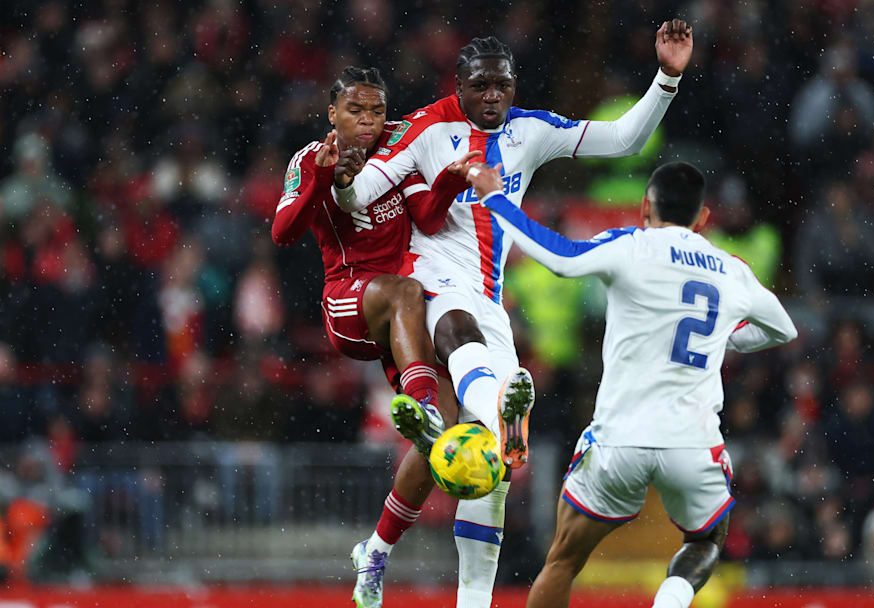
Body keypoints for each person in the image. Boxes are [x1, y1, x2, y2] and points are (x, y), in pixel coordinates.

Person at [339, 22, 693, 608]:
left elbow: (623, 140)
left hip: (489, 299)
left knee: (489, 468)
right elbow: (361, 192)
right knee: (455, 332)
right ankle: (493, 413)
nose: (493, 96)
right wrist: (347, 179)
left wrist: (667, 78)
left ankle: (470, 596)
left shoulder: (531, 130)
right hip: (429, 278)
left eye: (502, 85)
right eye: (481, 86)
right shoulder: (427, 128)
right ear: (459, 86)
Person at [464, 161, 798, 608]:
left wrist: (494, 198)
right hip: (691, 443)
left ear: (644, 207)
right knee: (706, 540)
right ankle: (670, 602)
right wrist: (726, 341)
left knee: (562, 560)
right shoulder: (730, 268)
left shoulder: (631, 245)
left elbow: (561, 259)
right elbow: (783, 329)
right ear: (703, 219)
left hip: (620, 440)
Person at [269, 66, 479, 608]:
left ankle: (377, 552)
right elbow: (283, 232)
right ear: (332, 113)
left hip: (399, 312)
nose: (368, 122)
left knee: (444, 442)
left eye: (377, 112)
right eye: (356, 111)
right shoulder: (309, 158)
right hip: (350, 300)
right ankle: (422, 403)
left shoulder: (394, 154)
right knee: (408, 294)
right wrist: (319, 178)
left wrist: (453, 178)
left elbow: (428, 219)